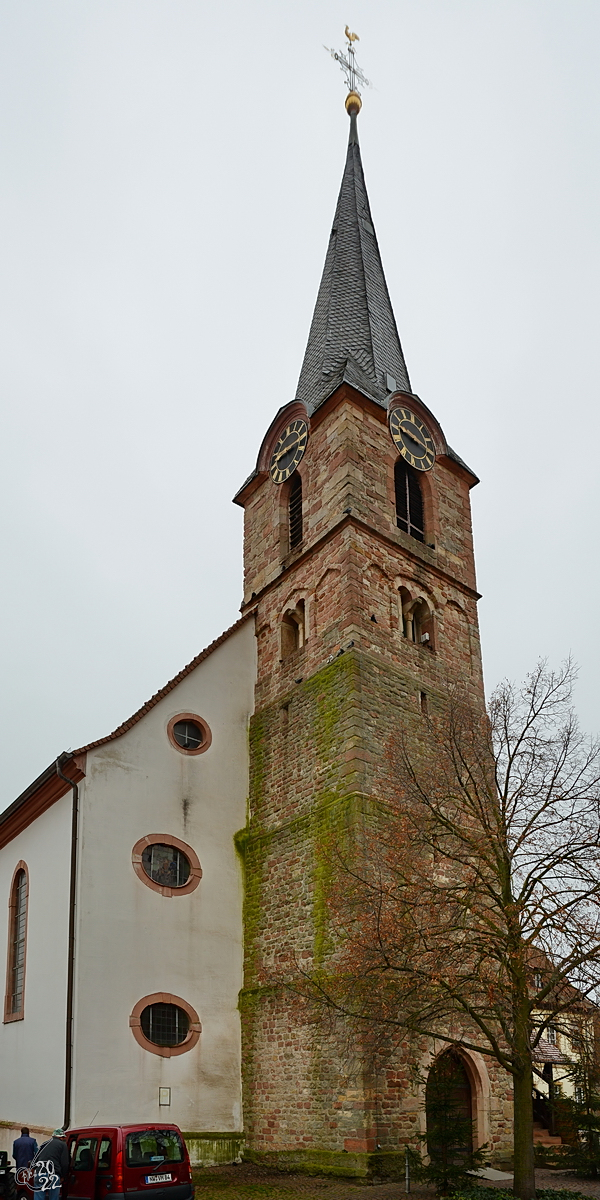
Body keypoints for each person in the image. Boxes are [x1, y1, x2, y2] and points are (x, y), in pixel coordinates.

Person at [33, 1129, 69, 1200]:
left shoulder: (44, 1144)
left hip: (40, 1173)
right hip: (53, 1174)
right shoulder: (62, 1145)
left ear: (53, 1136)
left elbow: (35, 1160)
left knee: (38, 1196)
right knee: (53, 1197)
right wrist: (63, 1176)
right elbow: (65, 1163)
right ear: (61, 1137)